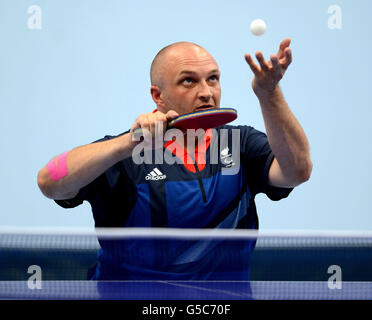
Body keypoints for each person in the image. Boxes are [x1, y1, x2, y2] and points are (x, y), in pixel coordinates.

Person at [37, 39, 312, 281]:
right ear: (158, 95)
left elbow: (297, 171)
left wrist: (269, 93)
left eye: (213, 78)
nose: (206, 92)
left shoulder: (240, 145)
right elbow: (50, 182)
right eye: (189, 80)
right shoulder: (125, 153)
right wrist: (126, 144)